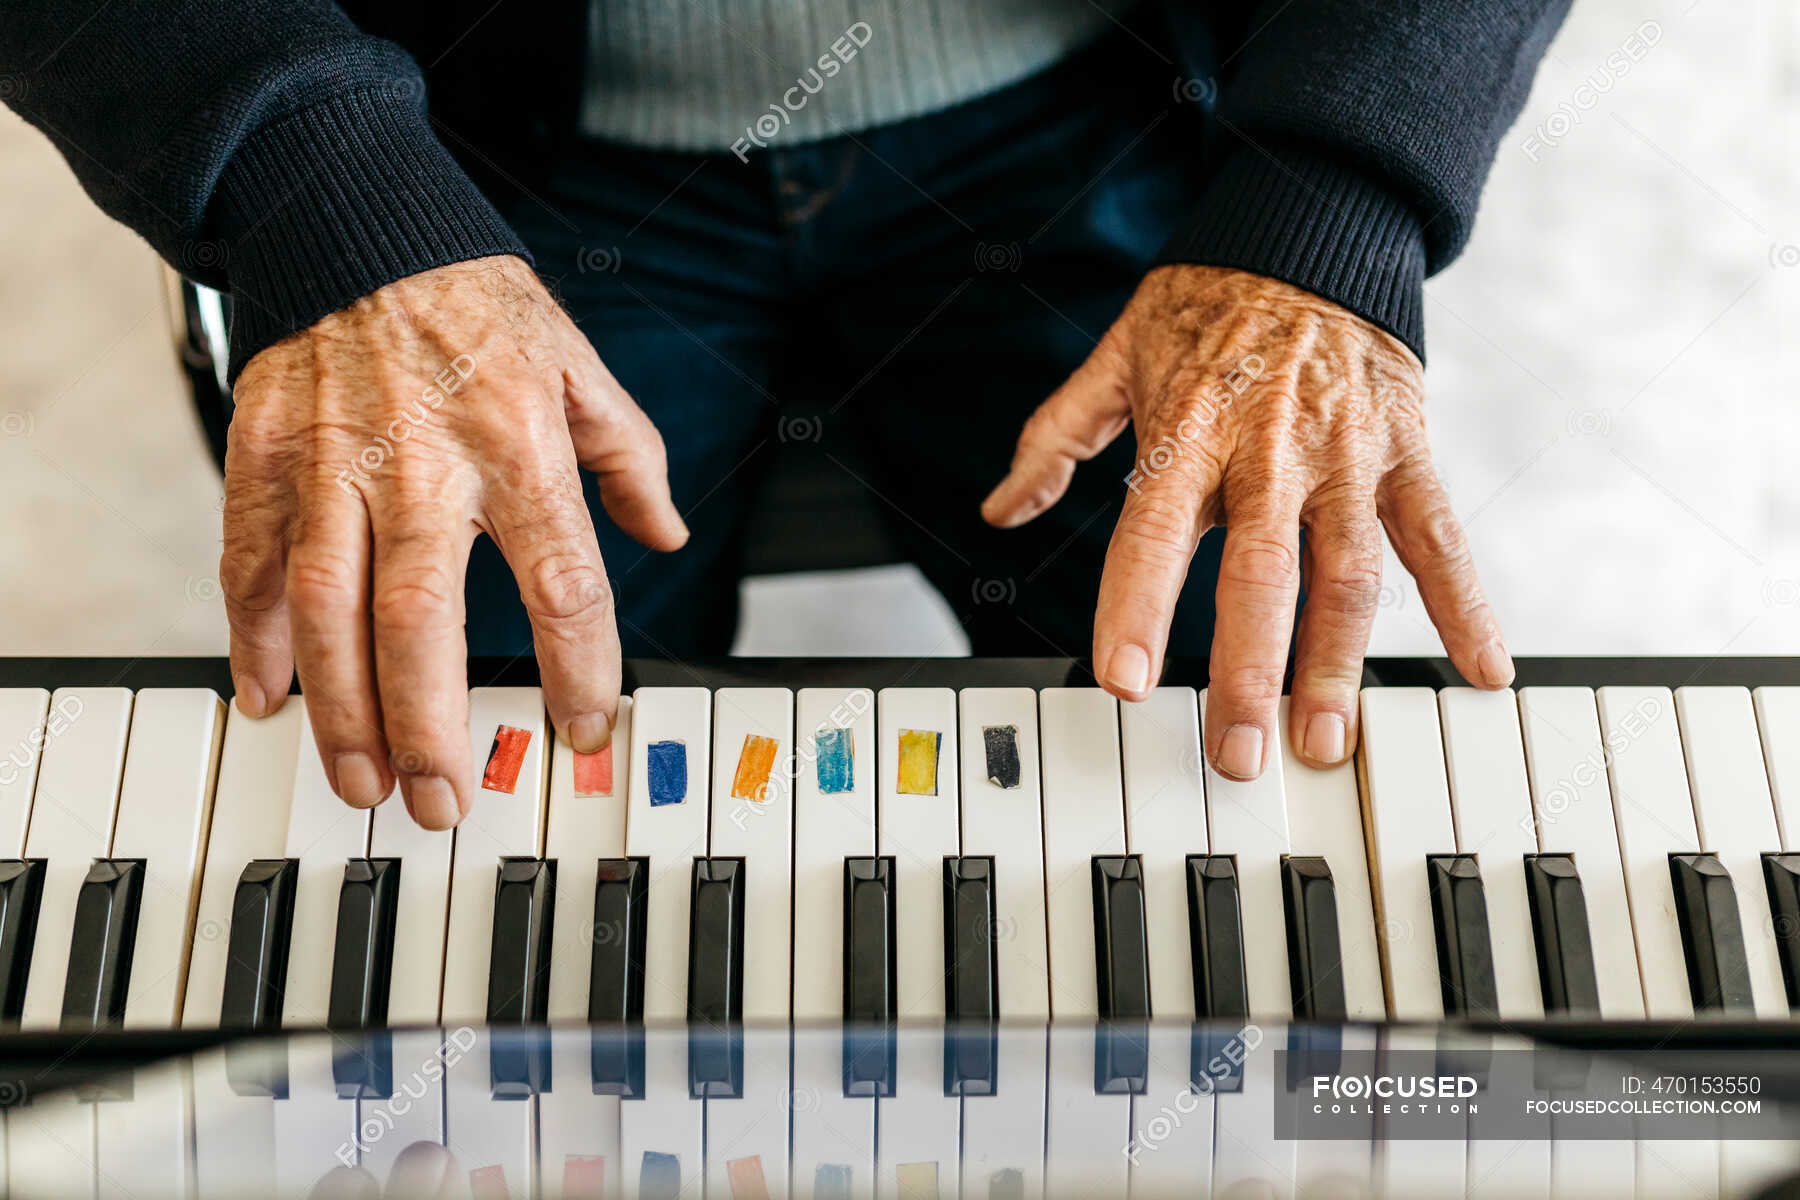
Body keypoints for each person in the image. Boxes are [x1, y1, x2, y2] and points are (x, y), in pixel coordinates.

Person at [3, 1, 1570, 829]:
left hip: (1108, 90)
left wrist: (1338, 188)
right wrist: (309, 178)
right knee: (466, 786)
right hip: (457, 135)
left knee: (1236, 747)